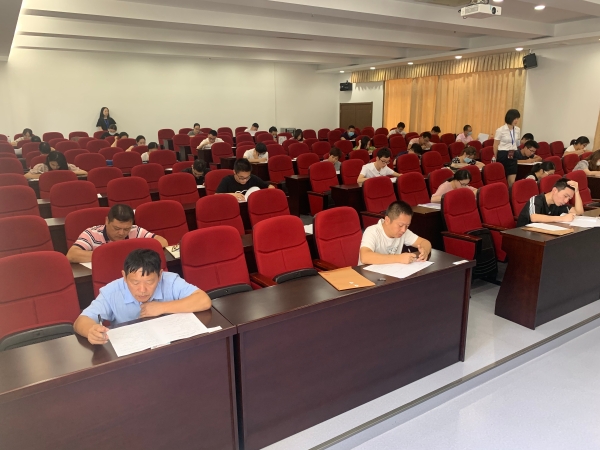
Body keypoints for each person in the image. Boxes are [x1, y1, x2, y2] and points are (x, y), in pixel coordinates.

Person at [74, 248, 212, 344]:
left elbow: (203, 300)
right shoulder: (112, 291)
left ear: (160, 275)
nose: (142, 290)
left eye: (149, 282)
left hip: (169, 344)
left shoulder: (170, 281)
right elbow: (80, 321)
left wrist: (162, 307)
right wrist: (91, 331)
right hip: (132, 351)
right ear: (124, 276)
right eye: (135, 282)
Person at [66, 204, 168, 263]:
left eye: (126, 229)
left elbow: (163, 242)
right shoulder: (91, 233)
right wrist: (111, 254)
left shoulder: (135, 230)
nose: (121, 233)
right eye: (116, 228)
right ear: (107, 221)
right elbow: (71, 255)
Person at [359, 201, 432, 265]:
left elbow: (425, 242)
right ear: (387, 220)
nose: (403, 230)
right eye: (400, 225)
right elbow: (365, 257)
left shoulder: (403, 232)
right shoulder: (372, 231)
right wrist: (399, 258)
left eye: (407, 226)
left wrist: (425, 251)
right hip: (365, 274)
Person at [516, 178, 583, 227]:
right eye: (565, 196)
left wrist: (577, 191)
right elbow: (534, 217)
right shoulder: (536, 199)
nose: (566, 201)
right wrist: (562, 218)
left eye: (569, 198)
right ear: (554, 190)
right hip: (523, 236)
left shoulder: (559, 203)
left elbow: (579, 212)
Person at [494, 109, 521, 187]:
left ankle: (511, 193)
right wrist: (496, 156)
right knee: (503, 177)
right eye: (515, 118)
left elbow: (516, 142)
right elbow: (495, 145)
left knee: (512, 181)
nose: (516, 121)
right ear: (510, 118)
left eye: (517, 119)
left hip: (513, 153)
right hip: (503, 154)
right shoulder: (500, 130)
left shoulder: (517, 129)